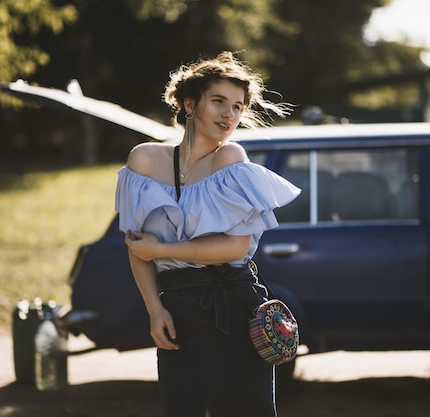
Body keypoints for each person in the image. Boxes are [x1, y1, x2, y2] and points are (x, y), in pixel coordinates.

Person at [115, 51, 300, 417]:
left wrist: (162, 248)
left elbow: (235, 247)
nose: (229, 114)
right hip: (177, 309)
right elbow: (137, 249)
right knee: (181, 408)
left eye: (238, 106)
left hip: (234, 304)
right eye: (218, 101)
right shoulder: (144, 160)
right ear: (189, 104)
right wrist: (155, 310)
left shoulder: (230, 159)